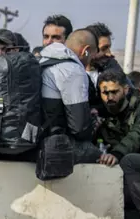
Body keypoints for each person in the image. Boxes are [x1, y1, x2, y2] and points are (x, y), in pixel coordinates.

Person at [39, 29, 97, 160]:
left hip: (33, 139)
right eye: (92, 56)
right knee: (100, 156)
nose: (91, 61)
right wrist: (93, 122)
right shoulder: (72, 70)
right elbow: (79, 128)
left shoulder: (42, 61)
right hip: (51, 144)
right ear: (85, 50)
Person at [96, 69, 140, 165]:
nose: (110, 97)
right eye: (105, 93)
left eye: (114, 92)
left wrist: (118, 153)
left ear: (125, 89)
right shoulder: (100, 111)